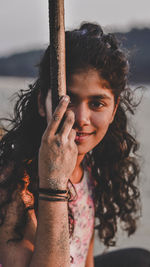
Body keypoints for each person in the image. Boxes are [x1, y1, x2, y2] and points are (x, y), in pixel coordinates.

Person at [0, 22, 149, 267]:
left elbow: (85, 259)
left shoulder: (89, 168)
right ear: (41, 103)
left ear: (113, 110)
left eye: (97, 103)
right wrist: (54, 182)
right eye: (67, 100)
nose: (80, 118)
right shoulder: (15, 184)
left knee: (139, 260)